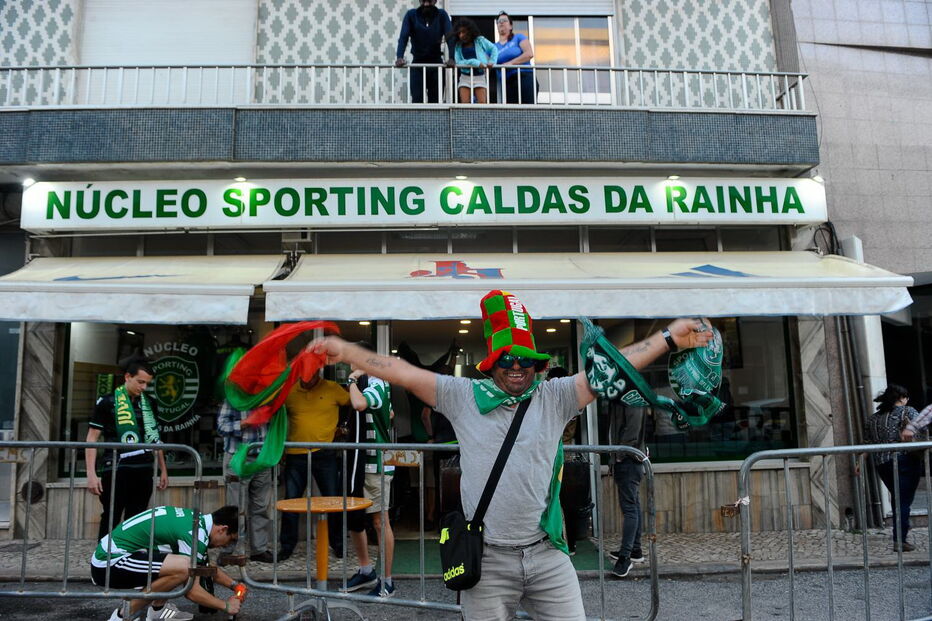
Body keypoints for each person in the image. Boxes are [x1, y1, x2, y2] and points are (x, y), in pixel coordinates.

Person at [308, 290, 712, 619]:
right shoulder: (462, 396)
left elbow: (613, 367)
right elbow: (399, 371)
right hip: (486, 561)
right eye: (507, 359)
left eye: (525, 360)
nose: (516, 367)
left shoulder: (554, 397)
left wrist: (670, 338)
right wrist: (345, 352)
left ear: (537, 366)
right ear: (491, 364)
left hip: (547, 553)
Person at [90, 505, 243, 621]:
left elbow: (203, 567)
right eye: (231, 540)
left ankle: (158, 611)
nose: (225, 545)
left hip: (116, 557)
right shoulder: (195, 533)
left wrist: (235, 585)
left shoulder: (196, 521)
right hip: (109, 564)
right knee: (184, 568)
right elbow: (192, 591)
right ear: (223, 529)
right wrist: (226, 606)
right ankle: (122, 616)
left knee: (183, 564)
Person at [86, 358, 169, 541]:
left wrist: (163, 469)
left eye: (147, 383)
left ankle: (129, 560)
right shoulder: (107, 402)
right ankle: (104, 560)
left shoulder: (150, 404)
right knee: (111, 516)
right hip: (116, 468)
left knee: (137, 518)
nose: (144, 387)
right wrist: (91, 474)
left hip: (144, 468)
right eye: (140, 382)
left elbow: (155, 438)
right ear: (127, 377)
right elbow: (92, 437)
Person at [341, 348, 398, 598]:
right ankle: (366, 571)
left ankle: (387, 581)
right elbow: (391, 413)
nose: (351, 366)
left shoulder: (376, 383)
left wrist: (352, 381)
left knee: (379, 521)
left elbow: (359, 403)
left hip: (376, 466)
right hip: (361, 464)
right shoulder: (376, 384)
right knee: (356, 519)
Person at [280, 370, 351, 561]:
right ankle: (286, 547)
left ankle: (338, 544)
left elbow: (354, 403)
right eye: (303, 376)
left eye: (310, 376)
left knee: (334, 501)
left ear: (317, 375)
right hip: (295, 454)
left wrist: (343, 428)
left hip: (324, 453)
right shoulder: (290, 391)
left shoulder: (332, 388)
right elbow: (276, 413)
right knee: (291, 502)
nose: (306, 379)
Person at [864, 384, 925, 551]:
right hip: (905, 460)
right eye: (906, 397)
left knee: (898, 499)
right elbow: (922, 428)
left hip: (882, 463)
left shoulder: (873, 419)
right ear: (902, 398)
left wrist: (859, 461)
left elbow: (868, 443)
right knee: (904, 500)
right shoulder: (909, 411)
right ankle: (900, 539)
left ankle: (902, 529)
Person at [216, 399, 274, 563]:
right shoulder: (233, 398)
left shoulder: (269, 397)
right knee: (235, 508)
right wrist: (246, 422)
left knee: (261, 506)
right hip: (237, 458)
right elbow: (221, 427)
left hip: (262, 459)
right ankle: (229, 550)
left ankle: (259, 550)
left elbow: (275, 427)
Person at [606, 402, 649, 577]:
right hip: (629, 459)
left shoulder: (631, 396)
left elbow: (632, 429)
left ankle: (625, 558)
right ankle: (635, 551)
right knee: (634, 506)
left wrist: (619, 455)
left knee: (630, 509)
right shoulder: (626, 396)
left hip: (628, 460)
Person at [395, 0, 453, 103]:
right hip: (417, 64)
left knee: (436, 101)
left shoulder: (442, 15)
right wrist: (399, 56)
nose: (426, 4)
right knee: (417, 100)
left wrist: (452, 58)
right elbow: (403, 37)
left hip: (436, 65)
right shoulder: (411, 15)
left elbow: (450, 37)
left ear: (435, 1)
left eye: (429, 1)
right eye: (423, 1)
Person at [448, 18, 498, 104]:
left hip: (479, 76)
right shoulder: (458, 46)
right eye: (459, 33)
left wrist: (492, 61)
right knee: (465, 103)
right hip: (465, 77)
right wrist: (476, 62)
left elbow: (494, 49)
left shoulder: (479, 40)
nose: (461, 35)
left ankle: (481, 118)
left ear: (470, 31)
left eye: (463, 32)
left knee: (482, 103)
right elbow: (459, 62)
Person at [494, 11, 537, 104]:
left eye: (504, 20)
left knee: (528, 111)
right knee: (512, 115)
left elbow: (529, 54)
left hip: (524, 77)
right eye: (499, 21)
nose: (501, 22)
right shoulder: (493, 47)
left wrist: (510, 63)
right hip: (507, 82)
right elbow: (486, 62)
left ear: (511, 26)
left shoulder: (518, 37)